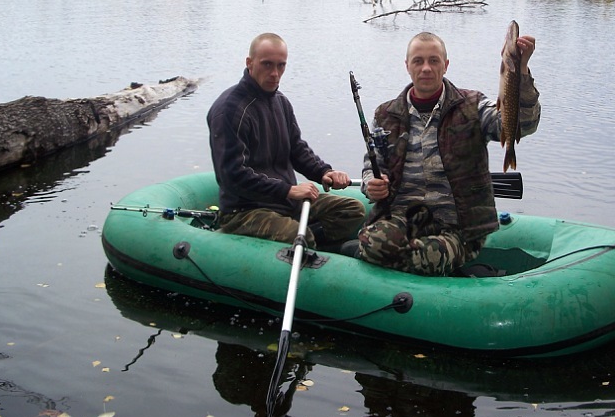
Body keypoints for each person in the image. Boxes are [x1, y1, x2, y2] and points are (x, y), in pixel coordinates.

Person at [358, 31, 540, 276]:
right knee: (374, 242)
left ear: (445, 65)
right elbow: (372, 163)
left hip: (458, 228)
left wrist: (522, 70)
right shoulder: (386, 114)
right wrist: (371, 184)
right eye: (418, 61)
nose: (426, 68)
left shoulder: (473, 106)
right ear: (407, 66)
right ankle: (429, 267)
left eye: (434, 61)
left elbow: (522, 125)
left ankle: (426, 264)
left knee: (426, 257)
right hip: (403, 218)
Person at [207, 32, 366, 248]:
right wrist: (288, 190)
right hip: (245, 209)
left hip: (285, 201)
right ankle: (307, 248)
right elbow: (232, 175)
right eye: (267, 65)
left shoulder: (280, 102)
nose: (275, 73)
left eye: (281, 65)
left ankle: (319, 254)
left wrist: (324, 172)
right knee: (297, 236)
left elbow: (297, 149)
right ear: (250, 63)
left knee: (352, 211)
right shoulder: (230, 110)